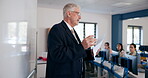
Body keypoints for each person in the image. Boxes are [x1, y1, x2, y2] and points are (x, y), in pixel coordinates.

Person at [45, 3, 96, 78]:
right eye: (78, 13)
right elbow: (58, 55)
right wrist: (82, 46)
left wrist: (91, 52)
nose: (80, 17)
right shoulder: (57, 29)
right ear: (69, 13)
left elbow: (76, 53)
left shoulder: (73, 31)